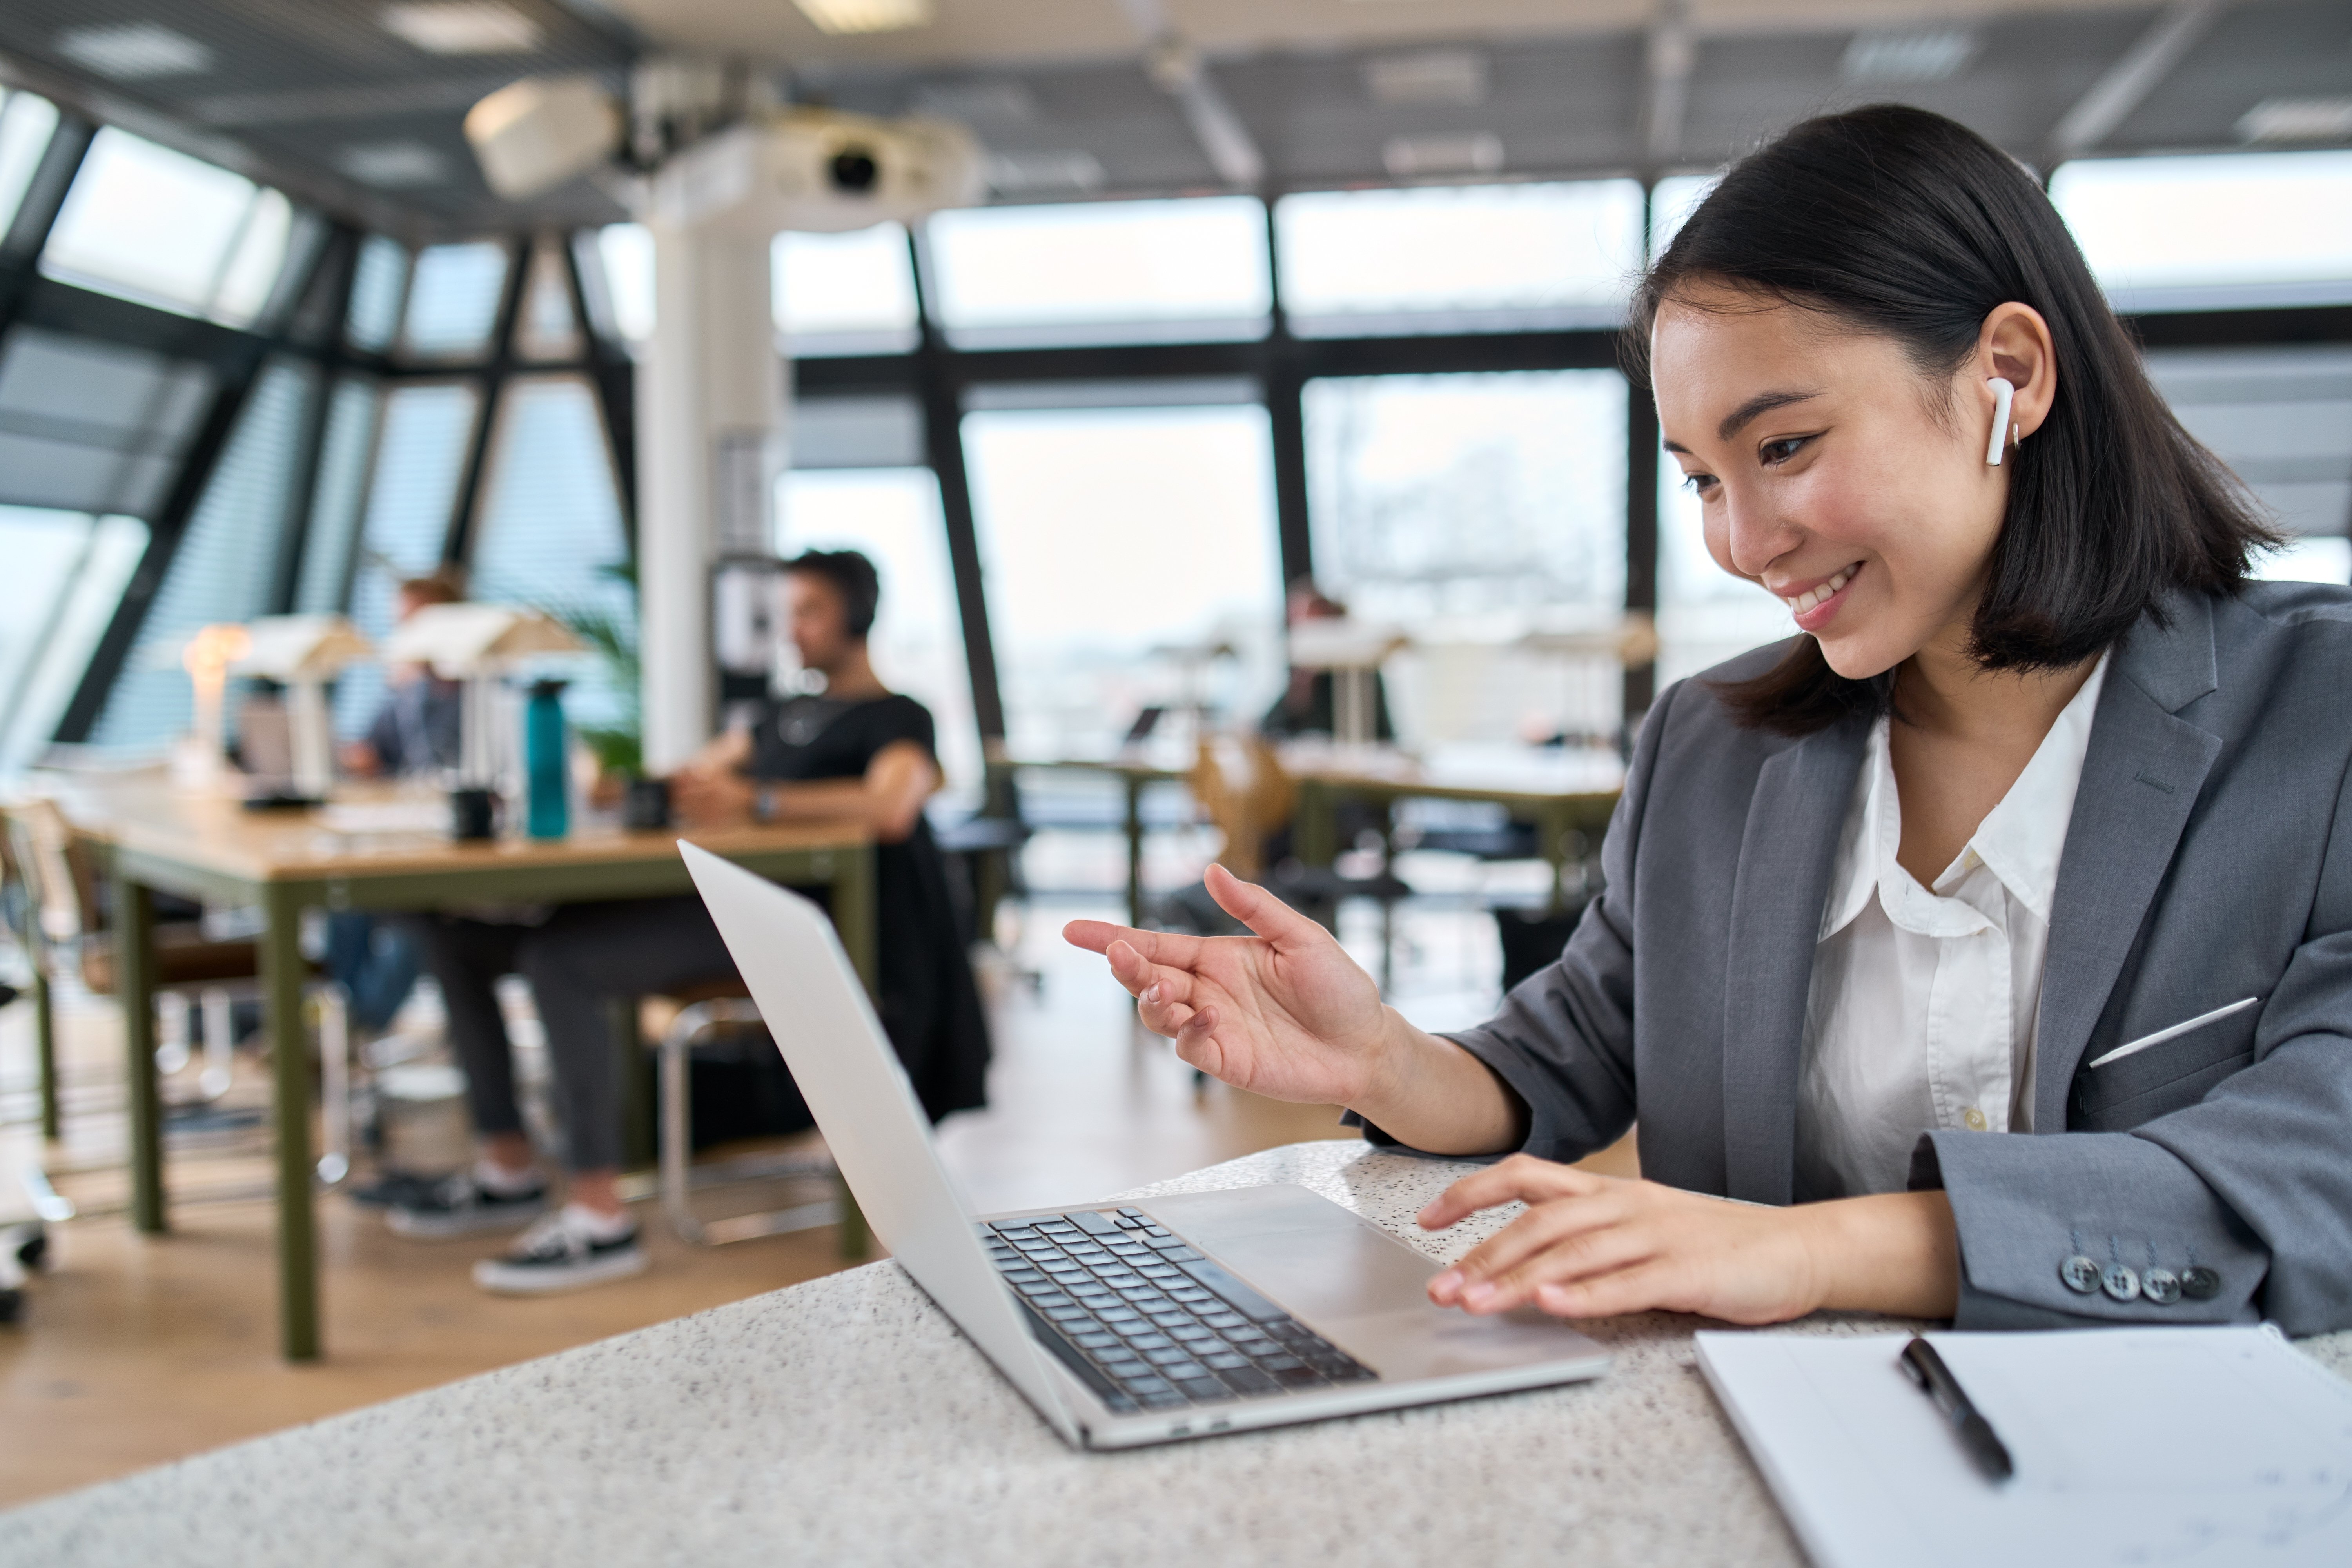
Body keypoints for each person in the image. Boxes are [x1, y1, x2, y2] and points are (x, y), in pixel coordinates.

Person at [1068, 105, 2352, 1336]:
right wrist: (1381, 1059)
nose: (1741, 542)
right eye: (1701, 480)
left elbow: (2316, 1173)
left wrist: (1800, 1252)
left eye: (1784, 446)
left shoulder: (2321, 718)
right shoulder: (1716, 746)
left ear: (2005, 375)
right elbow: (1574, 1055)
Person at [392, 549, 990, 1295]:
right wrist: (608, 785)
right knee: (454, 937)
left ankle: (600, 1217)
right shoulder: (778, 715)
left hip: (793, 924)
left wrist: (760, 802)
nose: (792, 630)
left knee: (559, 960)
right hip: (722, 898)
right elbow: (697, 775)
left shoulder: (898, 716)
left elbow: (893, 806)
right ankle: (507, 1164)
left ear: (856, 619)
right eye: (787, 614)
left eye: (809, 612)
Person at [329, 572, 465, 1038]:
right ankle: (341, 1026)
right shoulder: (409, 695)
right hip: (404, 844)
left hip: (453, 858)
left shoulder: (485, 692)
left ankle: (360, 1030)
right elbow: (370, 752)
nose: (404, 633)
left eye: (414, 620)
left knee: (418, 926)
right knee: (342, 905)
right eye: (400, 622)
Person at [1259, 581, 1394, 742]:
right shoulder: (1302, 675)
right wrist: (1298, 696)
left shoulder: (1356, 669)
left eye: (1309, 621)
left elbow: (1362, 732)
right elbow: (1267, 727)